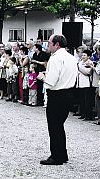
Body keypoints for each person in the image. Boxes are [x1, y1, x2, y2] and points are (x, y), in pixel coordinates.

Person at [37, 34, 77, 165]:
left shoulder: (55, 59)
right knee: (59, 125)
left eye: (49, 43)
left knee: (54, 127)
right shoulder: (71, 58)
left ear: (56, 44)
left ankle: (56, 156)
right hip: (69, 93)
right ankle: (62, 153)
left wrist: (42, 77)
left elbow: (51, 81)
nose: (47, 45)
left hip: (57, 95)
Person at [76, 50, 94, 121]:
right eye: (82, 55)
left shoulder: (89, 62)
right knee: (82, 100)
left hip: (87, 83)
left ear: (88, 56)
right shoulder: (80, 62)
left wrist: (79, 68)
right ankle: (83, 113)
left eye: (84, 55)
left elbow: (88, 72)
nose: (83, 56)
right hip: (80, 83)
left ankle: (88, 115)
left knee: (87, 100)